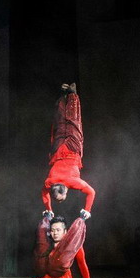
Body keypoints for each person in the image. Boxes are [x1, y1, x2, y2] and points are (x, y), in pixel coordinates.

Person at [41, 83, 95, 220]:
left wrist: (87, 210)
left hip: (71, 148)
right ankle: (64, 96)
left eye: (59, 199)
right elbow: (44, 193)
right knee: (61, 124)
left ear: (65, 191)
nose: (59, 201)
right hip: (58, 149)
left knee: (73, 123)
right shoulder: (49, 182)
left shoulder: (72, 182)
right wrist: (48, 208)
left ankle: (72, 94)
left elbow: (91, 192)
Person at [30, 215, 98, 278]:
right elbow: (39, 263)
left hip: (60, 272)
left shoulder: (73, 245)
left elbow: (82, 263)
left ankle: (81, 220)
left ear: (65, 231)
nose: (55, 233)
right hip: (46, 271)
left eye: (58, 230)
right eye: (52, 230)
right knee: (40, 248)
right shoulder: (47, 243)